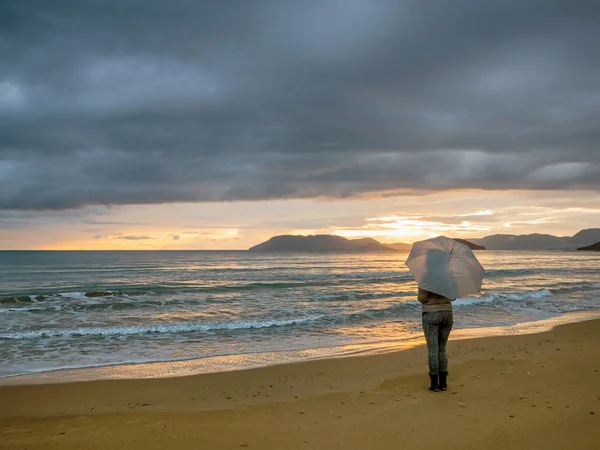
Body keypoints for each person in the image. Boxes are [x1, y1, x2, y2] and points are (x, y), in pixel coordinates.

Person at [417, 288, 454, 392]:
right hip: (447, 313)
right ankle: (443, 383)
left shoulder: (426, 279)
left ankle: (434, 384)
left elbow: (422, 299)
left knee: (433, 349)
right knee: (442, 348)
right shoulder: (449, 277)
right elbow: (453, 297)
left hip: (431, 314)